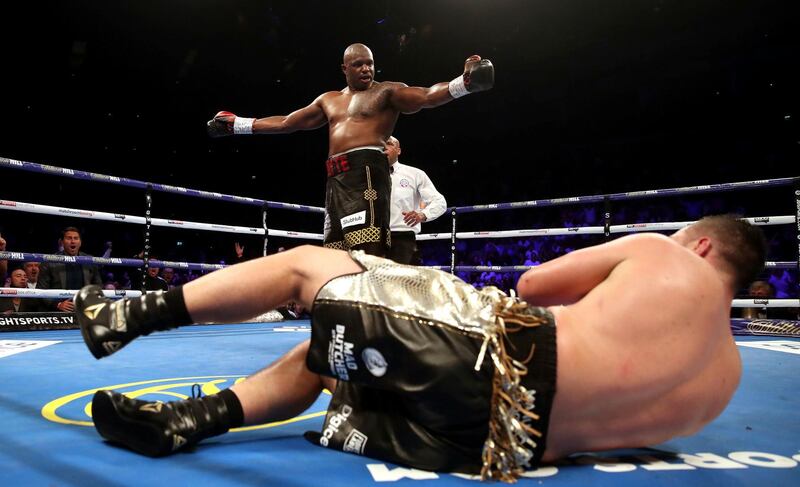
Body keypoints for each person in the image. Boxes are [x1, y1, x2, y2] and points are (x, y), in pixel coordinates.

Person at [73, 214, 766, 482]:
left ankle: (122, 315)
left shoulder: (667, 254)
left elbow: (535, 282)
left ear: (701, 244)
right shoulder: (723, 384)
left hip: (498, 358)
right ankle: (182, 423)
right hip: (495, 448)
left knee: (309, 269)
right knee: (330, 359)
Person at [207, 43, 493, 257]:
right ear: (345, 69)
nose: (366, 69)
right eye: (358, 64)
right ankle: (344, 316)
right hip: (336, 180)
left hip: (366, 172)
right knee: (336, 253)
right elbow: (286, 123)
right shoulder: (328, 100)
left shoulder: (387, 92)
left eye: (369, 63)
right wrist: (238, 125)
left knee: (368, 251)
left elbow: (427, 96)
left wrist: (463, 84)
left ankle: (373, 320)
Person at [384, 136, 447, 265]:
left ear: (399, 150)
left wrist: (422, 215)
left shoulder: (415, 174)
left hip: (402, 237)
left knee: (402, 282)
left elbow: (440, 202)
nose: (384, 147)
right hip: (371, 238)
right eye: (381, 144)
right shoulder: (367, 175)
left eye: (389, 144)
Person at [38, 226, 103, 312]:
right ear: (62, 242)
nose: (72, 241)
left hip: (84, 310)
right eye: (69, 238)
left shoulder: (89, 260)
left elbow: (98, 286)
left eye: (76, 238)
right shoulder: (50, 261)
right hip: (59, 312)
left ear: (80, 242)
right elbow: (41, 289)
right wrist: (58, 304)